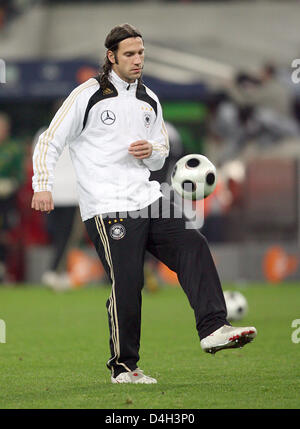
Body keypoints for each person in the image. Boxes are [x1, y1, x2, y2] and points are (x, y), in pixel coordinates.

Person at [31, 23, 257, 384]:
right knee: (128, 281)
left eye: (141, 54)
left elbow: (161, 151)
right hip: (107, 206)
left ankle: (214, 328)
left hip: (149, 198)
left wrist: (152, 151)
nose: (138, 60)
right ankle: (123, 368)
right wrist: (42, 185)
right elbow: (50, 142)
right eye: (130, 54)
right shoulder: (87, 94)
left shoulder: (149, 99)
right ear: (112, 57)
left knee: (193, 245)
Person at [0, 112, 24, 282]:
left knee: (8, 235)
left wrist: (11, 184)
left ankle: (5, 270)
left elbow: (21, 176)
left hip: (8, 200)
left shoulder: (14, 148)